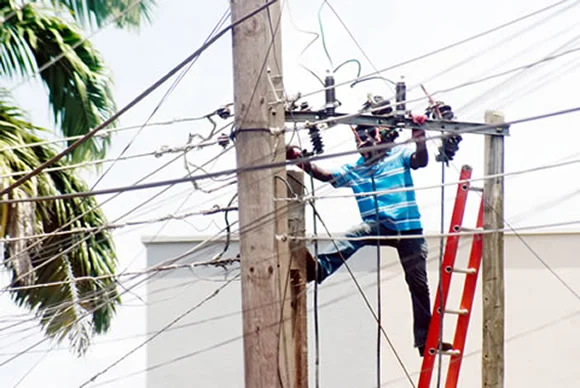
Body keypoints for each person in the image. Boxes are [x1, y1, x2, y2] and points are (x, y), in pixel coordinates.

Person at [286, 112, 452, 357]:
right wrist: (302, 162)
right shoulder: (355, 169)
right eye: (359, 142)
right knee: (357, 233)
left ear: (378, 136)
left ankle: (425, 340)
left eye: (367, 138)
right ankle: (319, 268)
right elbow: (326, 175)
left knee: (418, 284)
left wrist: (419, 137)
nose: (363, 145)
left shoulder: (397, 155)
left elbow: (420, 160)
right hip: (379, 225)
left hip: (409, 230)